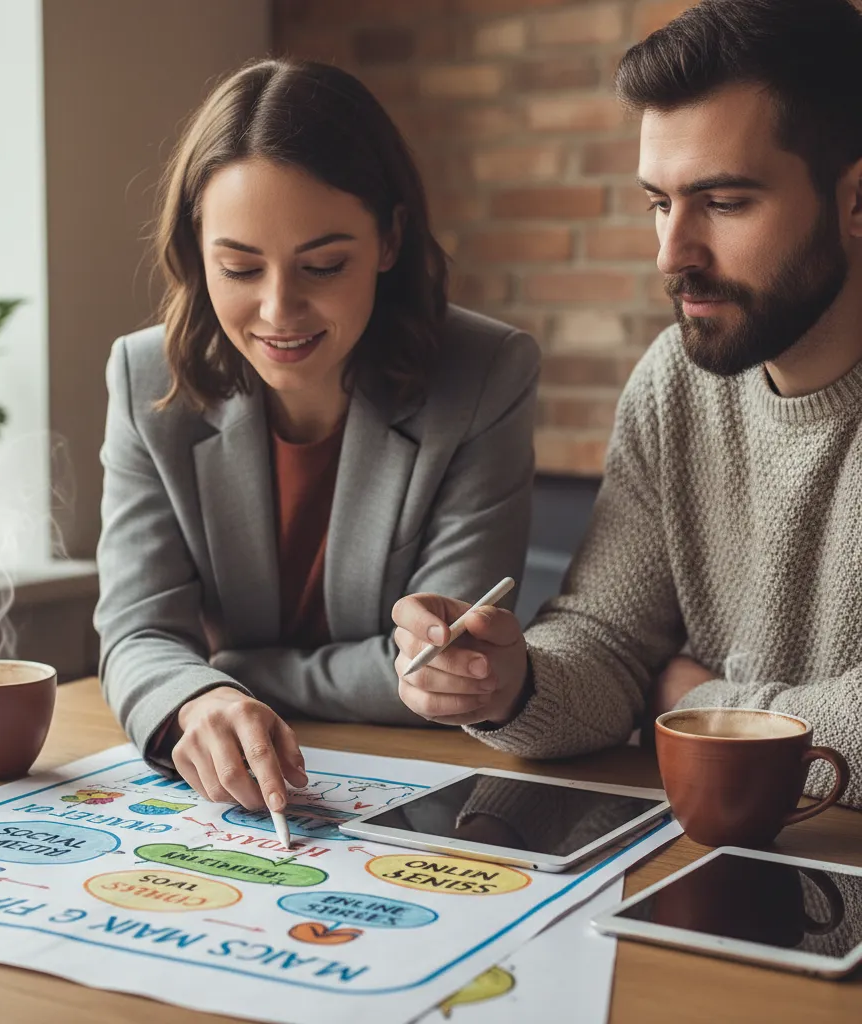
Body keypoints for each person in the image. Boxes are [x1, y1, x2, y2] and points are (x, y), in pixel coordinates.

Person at [392, 0, 862, 808]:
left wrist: (694, 702)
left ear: (855, 201)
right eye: (659, 203)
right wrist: (511, 682)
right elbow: (607, 640)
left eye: (724, 203)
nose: (672, 254)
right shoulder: (675, 381)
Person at [95, 58, 539, 814]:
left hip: (422, 781)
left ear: (389, 239)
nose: (278, 310)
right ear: (198, 252)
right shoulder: (145, 379)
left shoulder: (485, 372)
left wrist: (231, 668)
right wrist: (199, 700)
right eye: (239, 268)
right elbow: (137, 631)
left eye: (324, 266)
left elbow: (442, 666)